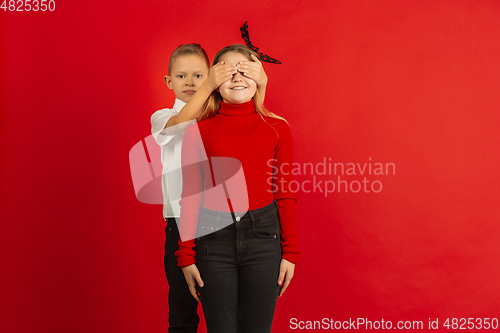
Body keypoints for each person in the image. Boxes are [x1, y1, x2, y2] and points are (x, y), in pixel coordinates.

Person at [176, 44, 300, 333]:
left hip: (263, 240)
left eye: (244, 70)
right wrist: (185, 255)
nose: (237, 77)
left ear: (258, 78)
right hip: (213, 242)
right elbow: (191, 195)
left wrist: (291, 252)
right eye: (228, 72)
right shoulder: (198, 130)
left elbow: (284, 191)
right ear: (214, 83)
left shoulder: (276, 128)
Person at [151, 43, 268, 333]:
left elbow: (256, 119)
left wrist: (261, 82)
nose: (190, 82)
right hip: (180, 222)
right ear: (168, 82)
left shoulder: (217, 116)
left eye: (199, 76)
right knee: (183, 305)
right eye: (181, 77)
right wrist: (210, 85)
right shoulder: (162, 116)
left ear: (212, 76)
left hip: (220, 225)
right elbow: (180, 124)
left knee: (231, 308)